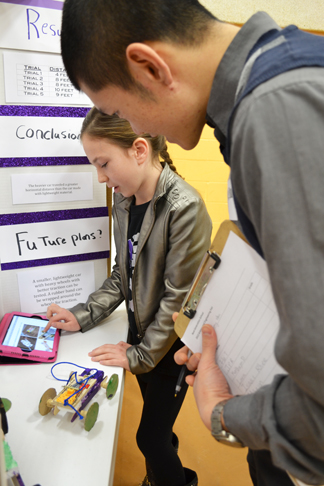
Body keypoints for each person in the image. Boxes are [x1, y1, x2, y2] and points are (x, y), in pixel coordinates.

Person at [59, 1, 324, 485]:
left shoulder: (274, 111)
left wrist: (224, 415)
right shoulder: (278, 85)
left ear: (149, 66)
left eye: (120, 111)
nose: (138, 130)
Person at [45, 107, 212, 486]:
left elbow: (177, 299)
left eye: (104, 164)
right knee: (160, 432)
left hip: (170, 345)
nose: (102, 179)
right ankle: (162, 474)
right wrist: (83, 314)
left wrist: (137, 355)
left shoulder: (184, 207)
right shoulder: (125, 200)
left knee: (149, 437)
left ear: (139, 149)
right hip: (142, 338)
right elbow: (125, 272)